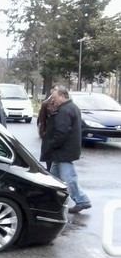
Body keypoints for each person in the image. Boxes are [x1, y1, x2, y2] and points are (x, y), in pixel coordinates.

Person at [42, 85, 91, 214]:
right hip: (64, 150)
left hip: (63, 151)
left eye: (54, 97)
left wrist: (51, 143)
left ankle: (82, 200)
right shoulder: (71, 107)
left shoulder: (64, 111)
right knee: (53, 177)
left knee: (69, 178)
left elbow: (61, 132)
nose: (52, 100)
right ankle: (52, 200)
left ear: (63, 97)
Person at [37, 95, 57, 171]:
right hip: (48, 133)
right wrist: (42, 132)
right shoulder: (46, 104)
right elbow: (42, 119)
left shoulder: (62, 106)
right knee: (49, 157)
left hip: (56, 134)